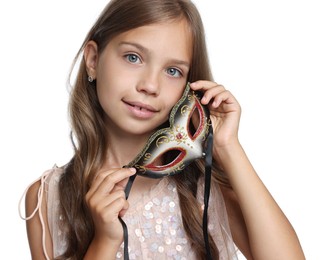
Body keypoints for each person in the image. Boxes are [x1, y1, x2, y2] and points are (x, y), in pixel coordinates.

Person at [20, 0, 305, 259]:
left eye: (173, 71)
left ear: (189, 87)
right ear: (93, 59)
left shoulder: (206, 188)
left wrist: (228, 147)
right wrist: (104, 242)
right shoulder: (48, 197)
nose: (150, 85)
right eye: (133, 57)